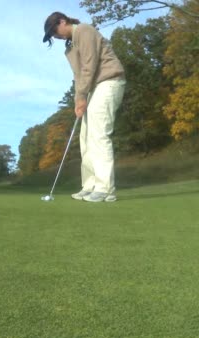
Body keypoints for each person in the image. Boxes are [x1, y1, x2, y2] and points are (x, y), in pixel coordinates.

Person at [43, 11, 126, 202]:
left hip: (109, 81)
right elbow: (78, 75)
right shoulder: (71, 46)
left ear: (62, 21)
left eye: (54, 31)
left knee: (99, 135)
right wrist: (78, 101)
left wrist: (82, 96)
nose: (55, 36)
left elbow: (90, 65)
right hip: (93, 88)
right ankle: (90, 186)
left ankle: (105, 189)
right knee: (85, 139)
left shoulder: (84, 30)